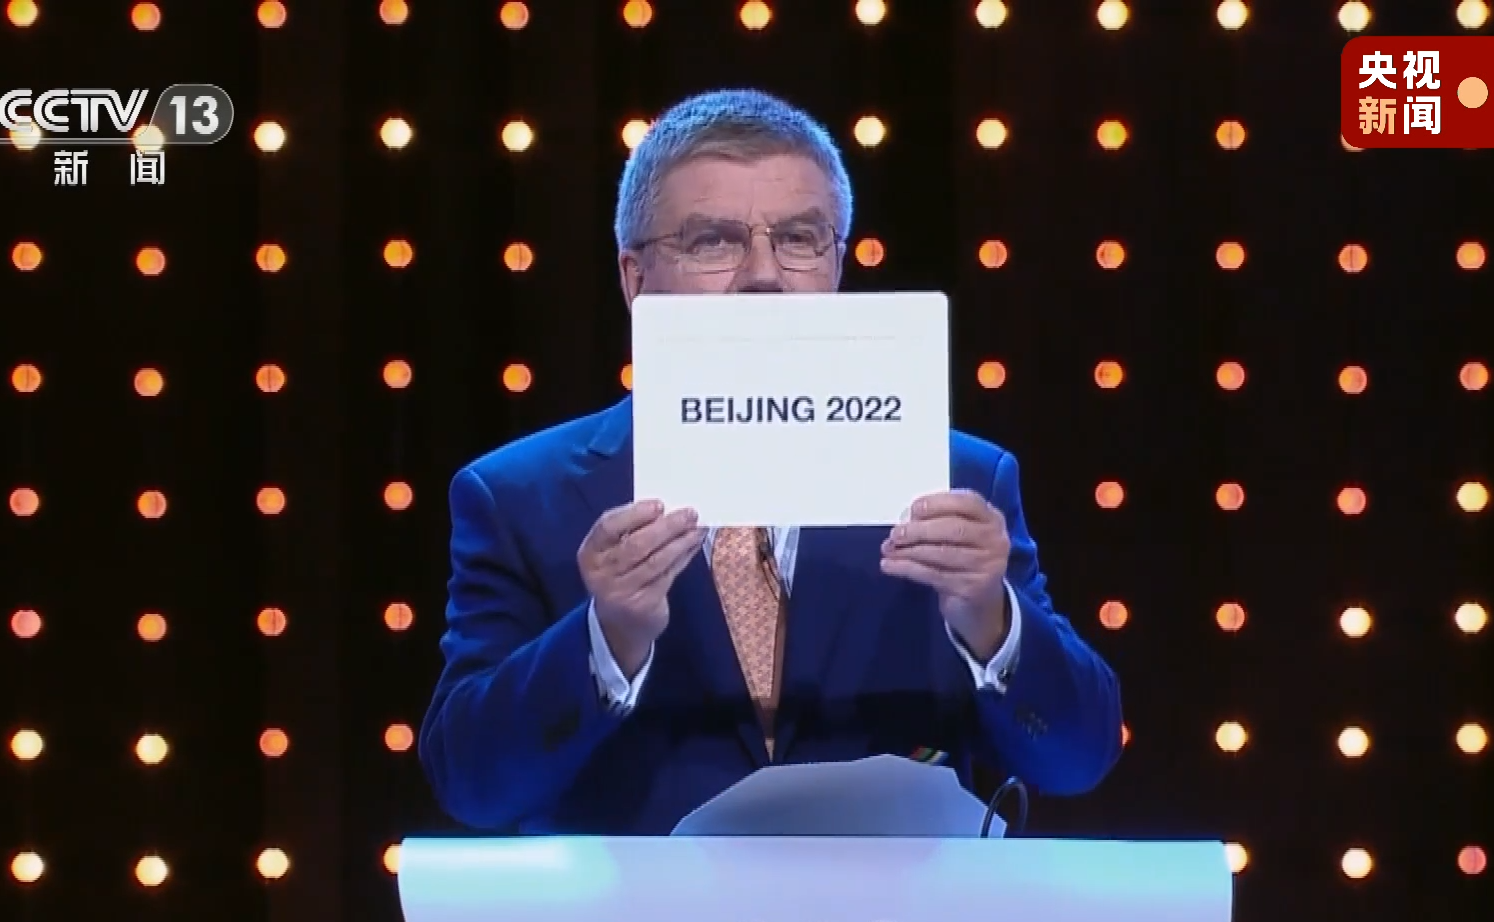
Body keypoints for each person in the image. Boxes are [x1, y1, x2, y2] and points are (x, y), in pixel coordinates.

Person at [419, 88, 1122, 835]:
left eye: (798, 238)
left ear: (837, 264)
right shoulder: (519, 496)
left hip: (883, 911)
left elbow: (1078, 760)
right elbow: (471, 784)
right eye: (713, 241)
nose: (763, 275)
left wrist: (990, 619)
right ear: (635, 280)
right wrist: (607, 636)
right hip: (636, 912)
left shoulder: (956, 481)